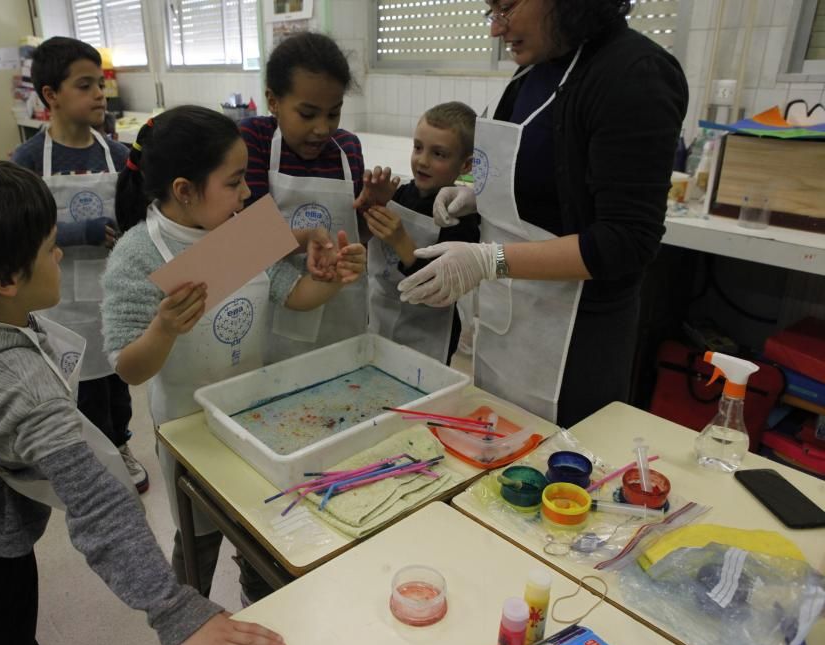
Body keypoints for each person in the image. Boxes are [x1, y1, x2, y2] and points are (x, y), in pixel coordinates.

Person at [0, 158, 287, 645]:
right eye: (49, 248)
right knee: (6, 617)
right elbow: (98, 505)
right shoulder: (25, 388)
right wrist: (173, 610)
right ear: (6, 279)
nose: (59, 254)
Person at [102, 106, 365, 605]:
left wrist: (328, 280)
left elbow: (293, 293)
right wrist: (162, 329)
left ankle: (259, 606)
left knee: (262, 529)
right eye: (235, 181)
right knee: (198, 538)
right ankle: (189, 620)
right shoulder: (139, 255)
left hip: (253, 417)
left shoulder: (238, 232)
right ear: (184, 190)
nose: (247, 193)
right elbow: (129, 366)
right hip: (188, 430)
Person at [399, 0, 687, 427]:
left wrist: (489, 260)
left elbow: (626, 240)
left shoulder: (635, 74)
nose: (497, 29)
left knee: (558, 473)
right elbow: (548, 179)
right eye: (492, 9)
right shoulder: (536, 67)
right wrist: (478, 195)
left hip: (573, 341)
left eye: (508, 6)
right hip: (509, 324)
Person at [12, 36, 147, 493]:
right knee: (81, 389)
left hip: (113, 294)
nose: (99, 95)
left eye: (100, 84)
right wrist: (76, 234)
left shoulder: (118, 154)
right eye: (85, 85)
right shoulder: (28, 161)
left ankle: (121, 444)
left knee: (117, 382)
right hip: (62, 301)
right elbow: (19, 234)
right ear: (50, 95)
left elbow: (137, 218)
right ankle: (97, 461)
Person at [239, 32, 368, 364]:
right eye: (308, 114)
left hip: (339, 305)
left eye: (333, 113)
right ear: (273, 100)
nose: (323, 129)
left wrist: (372, 204)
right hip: (270, 304)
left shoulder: (348, 148)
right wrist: (308, 237)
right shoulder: (253, 140)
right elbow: (244, 238)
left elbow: (355, 232)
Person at [358, 102, 480, 363]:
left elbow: (443, 287)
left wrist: (401, 240)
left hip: (429, 334)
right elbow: (367, 245)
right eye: (417, 147)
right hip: (380, 316)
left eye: (439, 154)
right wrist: (375, 206)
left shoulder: (461, 216)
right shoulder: (400, 193)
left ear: (466, 165)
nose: (422, 161)